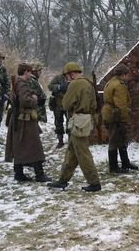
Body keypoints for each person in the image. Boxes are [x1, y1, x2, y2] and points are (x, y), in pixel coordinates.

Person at [47, 62, 102, 192]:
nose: (66, 79)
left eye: (66, 76)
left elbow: (66, 104)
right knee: (72, 152)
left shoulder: (75, 84)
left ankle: (94, 182)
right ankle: (62, 180)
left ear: (71, 74)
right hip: (86, 119)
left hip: (78, 121)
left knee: (82, 153)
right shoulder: (88, 82)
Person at [5, 63, 51, 182]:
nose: (31, 74)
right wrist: (34, 99)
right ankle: (39, 174)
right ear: (25, 72)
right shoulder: (22, 84)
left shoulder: (17, 83)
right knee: (34, 146)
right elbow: (25, 101)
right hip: (24, 120)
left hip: (20, 119)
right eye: (30, 72)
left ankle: (19, 173)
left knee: (20, 146)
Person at [101, 63, 138, 173]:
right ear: (124, 75)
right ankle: (114, 167)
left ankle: (125, 163)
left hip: (109, 114)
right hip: (116, 116)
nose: (128, 77)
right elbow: (121, 105)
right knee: (114, 140)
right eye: (127, 75)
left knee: (121, 140)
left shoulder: (110, 82)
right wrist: (124, 119)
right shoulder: (119, 86)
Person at [48, 72, 69, 148]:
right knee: (58, 123)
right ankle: (60, 141)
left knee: (70, 122)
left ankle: (71, 139)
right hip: (58, 104)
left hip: (69, 104)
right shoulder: (58, 78)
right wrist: (59, 87)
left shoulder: (73, 78)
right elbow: (50, 86)